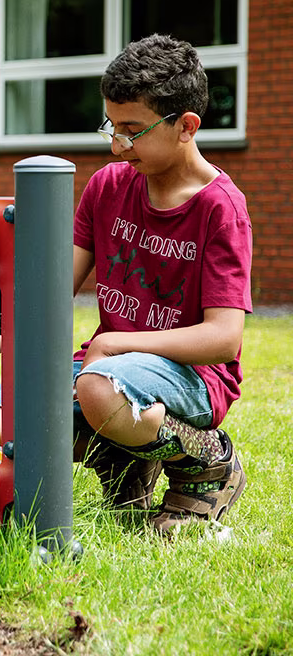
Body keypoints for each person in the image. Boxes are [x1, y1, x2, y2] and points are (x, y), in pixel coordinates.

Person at [72, 33, 251, 533]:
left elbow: (223, 339)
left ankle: (207, 467)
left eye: (132, 129)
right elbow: (53, 286)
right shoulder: (107, 186)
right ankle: (125, 459)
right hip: (111, 367)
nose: (116, 145)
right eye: (111, 125)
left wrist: (114, 342)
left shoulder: (221, 208)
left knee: (97, 390)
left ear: (185, 127)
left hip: (194, 378)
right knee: (5, 415)